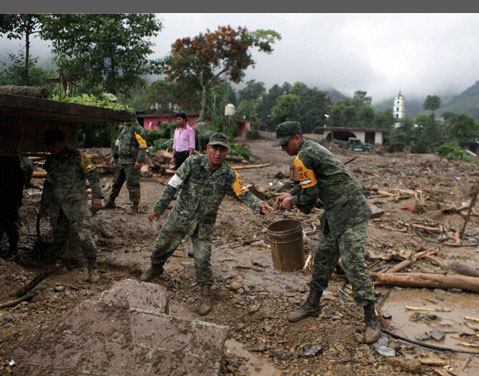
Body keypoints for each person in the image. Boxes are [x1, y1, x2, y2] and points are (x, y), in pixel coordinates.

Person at [140, 133, 273, 315]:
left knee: (203, 258)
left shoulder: (228, 174)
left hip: (204, 222)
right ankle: (155, 268)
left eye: (222, 149)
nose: (218, 153)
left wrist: (259, 205)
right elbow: (173, 185)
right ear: (208, 148)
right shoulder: (192, 163)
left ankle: (205, 290)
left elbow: (243, 192)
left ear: (226, 152)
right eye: (215, 148)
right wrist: (158, 208)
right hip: (180, 216)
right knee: (161, 246)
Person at [273, 121, 381, 344]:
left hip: (351, 214)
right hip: (335, 214)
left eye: (285, 144)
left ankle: (371, 319)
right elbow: (309, 182)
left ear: (296, 137)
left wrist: (293, 201)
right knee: (323, 258)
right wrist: (290, 193)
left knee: (352, 263)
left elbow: (310, 194)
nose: (283, 148)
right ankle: (312, 304)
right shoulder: (310, 150)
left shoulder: (302, 157)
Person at [40, 129, 103, 282]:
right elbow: (48, 184)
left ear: (61, 143)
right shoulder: (50, 162)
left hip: (76, 203)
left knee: (84, 234)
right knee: (58, 234)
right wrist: (44, 203)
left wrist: (97, 196)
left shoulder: (77, 156)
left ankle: (92, 267)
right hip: (57, 204)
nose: (51, 150)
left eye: (54, 146)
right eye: (49, 147)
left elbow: (93, 175)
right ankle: (60, 263)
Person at [103, 117, 147, 213]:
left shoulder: (138, 129)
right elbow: (117, 144)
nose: (126, 120)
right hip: (121, 161)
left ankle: (135, 206)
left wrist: (139, 160)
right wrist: (114, 157)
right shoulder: (122, 128)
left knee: (132, 184)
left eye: (129, 118)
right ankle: (111, 201)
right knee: (116, 182)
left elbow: (142, 146)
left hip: (131, 162)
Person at [0, 156, 26, 261]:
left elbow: (19, 180)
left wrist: (17, 198)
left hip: (9, 197)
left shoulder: (12, 162)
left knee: (10, 223)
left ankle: (13, 250)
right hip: (8, 196)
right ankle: (12, 250)